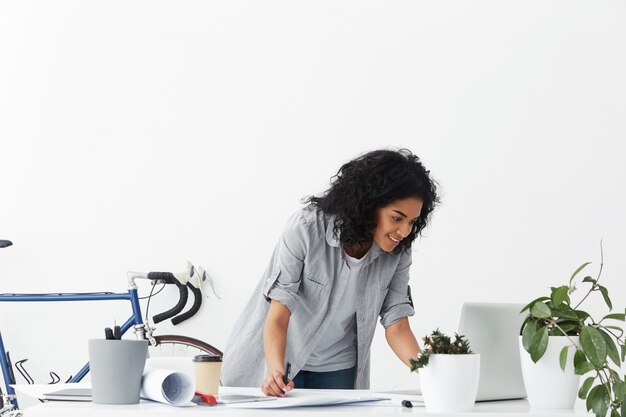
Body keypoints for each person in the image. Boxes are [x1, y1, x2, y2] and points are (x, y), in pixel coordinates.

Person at [221, 148, 439, 396]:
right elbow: (279, 314)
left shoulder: (398, 252)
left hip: (339, 369)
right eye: (397, 218)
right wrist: (275, 370)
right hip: (282, 360)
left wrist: (430, 374)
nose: (404, 231)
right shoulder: (306, 228)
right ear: (369, 206)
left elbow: (397, 323)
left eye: (411, 222)